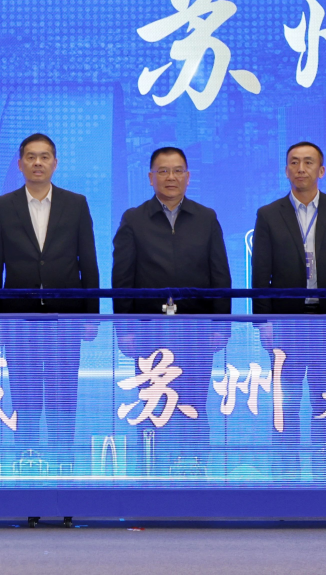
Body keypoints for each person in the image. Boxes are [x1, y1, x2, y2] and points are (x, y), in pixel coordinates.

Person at [0, 133, 100, 472]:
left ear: (55, 163)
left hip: (65, 316)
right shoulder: (3, 206)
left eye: (44, 157)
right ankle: (26, 458)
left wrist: (91, 315)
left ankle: (63, 459)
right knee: (24, 391)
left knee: (63, 392)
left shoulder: (76, 204)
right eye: (31, 157)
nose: (38, 163)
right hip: (19, 317)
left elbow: (88, 261)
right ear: (20, 164)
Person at [113, 146, 231, 471]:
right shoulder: (134, 219)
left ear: (188, 177)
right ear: (150, 177)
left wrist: (221, 326)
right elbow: (122, 278)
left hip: (197, 330)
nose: (170, 177)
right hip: (149, 332)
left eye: (178, 171)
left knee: (193, 402)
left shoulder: (206, 218)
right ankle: (150, 470)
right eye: (163, 171)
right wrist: (125, 330)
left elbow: (220, 275)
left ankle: (196, 468)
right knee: (152, 403)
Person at [251, 141, 326, 476]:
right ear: (286, 170)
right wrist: (263, 321)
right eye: (294, 162)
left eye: (308, 162)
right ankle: (285, 474)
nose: (301, 169)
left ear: (321, 170)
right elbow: (260, 272)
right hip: (286, 323)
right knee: (285, 405)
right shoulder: (269, 214)